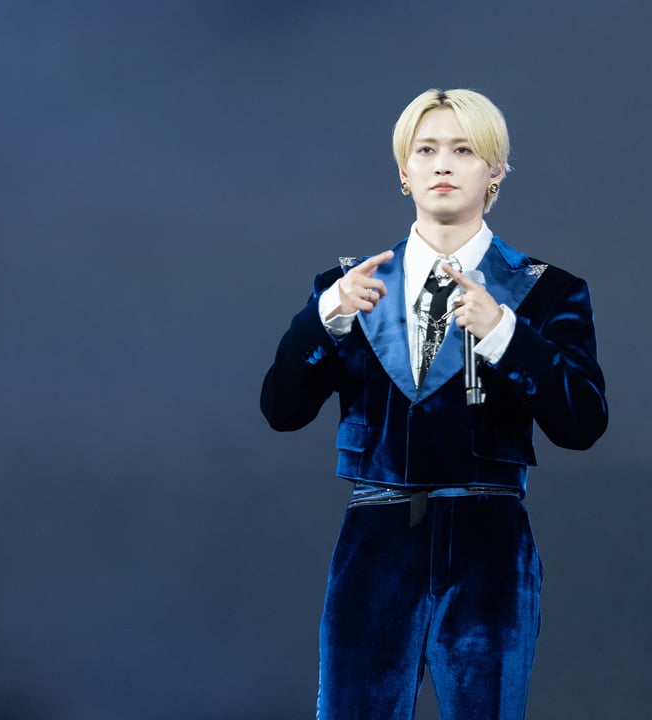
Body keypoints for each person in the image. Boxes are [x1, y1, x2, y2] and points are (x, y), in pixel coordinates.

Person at [259, 89, 607, 719]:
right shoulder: (349, 286)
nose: (442, 164)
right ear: (404, 170)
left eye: (463, 149)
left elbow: (582, 423)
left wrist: (505, 334)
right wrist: (327, 317)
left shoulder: (548, 291)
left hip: (490, 541)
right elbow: (281, 411)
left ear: (495, 169)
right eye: (426, 150)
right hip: (376, 538)